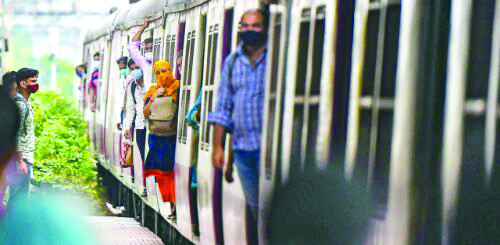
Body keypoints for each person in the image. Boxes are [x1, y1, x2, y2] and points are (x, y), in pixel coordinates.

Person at [207, 9, 268, 242]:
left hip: (269, 148)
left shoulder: (276, 56)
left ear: (264, 28)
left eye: (256, 26)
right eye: (246, 26)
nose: (250, 30)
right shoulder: (232, 62)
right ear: (240, 29)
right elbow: (223, 106)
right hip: (243, 149)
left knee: (268, 207)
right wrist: (218, 148)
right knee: (256, 206)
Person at [143, 60, 180, 220]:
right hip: (156, 137)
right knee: (162, 175)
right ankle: (171, 205)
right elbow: (145, 113)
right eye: (157, 72)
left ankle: (176, 205)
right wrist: (153, 99)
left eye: (164, 71)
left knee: (172, 172)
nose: (161, 75)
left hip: (173, 137)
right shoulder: (153, 90)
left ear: (170, 70)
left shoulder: (178, 87)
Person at [11, 68, 39, 200]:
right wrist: (20, 161)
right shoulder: (20, 104)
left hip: (26, 158)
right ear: (23, 84)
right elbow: (14, 135)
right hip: (21, 160)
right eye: (33, 81)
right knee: (18, 200)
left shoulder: (26, 102)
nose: (36, 84)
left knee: (21, 199)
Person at [124, 68, 147, 162]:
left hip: (153, 125)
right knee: (143, 154)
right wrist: (128, 127)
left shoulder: (150, 83)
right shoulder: (132, 86)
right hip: (140, 125)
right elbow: (130, 108)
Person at [128, 17, 153, 90]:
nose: (149, 51)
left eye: (151, 48)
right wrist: (143, 28)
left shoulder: (162, 61)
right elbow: (132, 47)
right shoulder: (145, 63)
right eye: (147, 49)